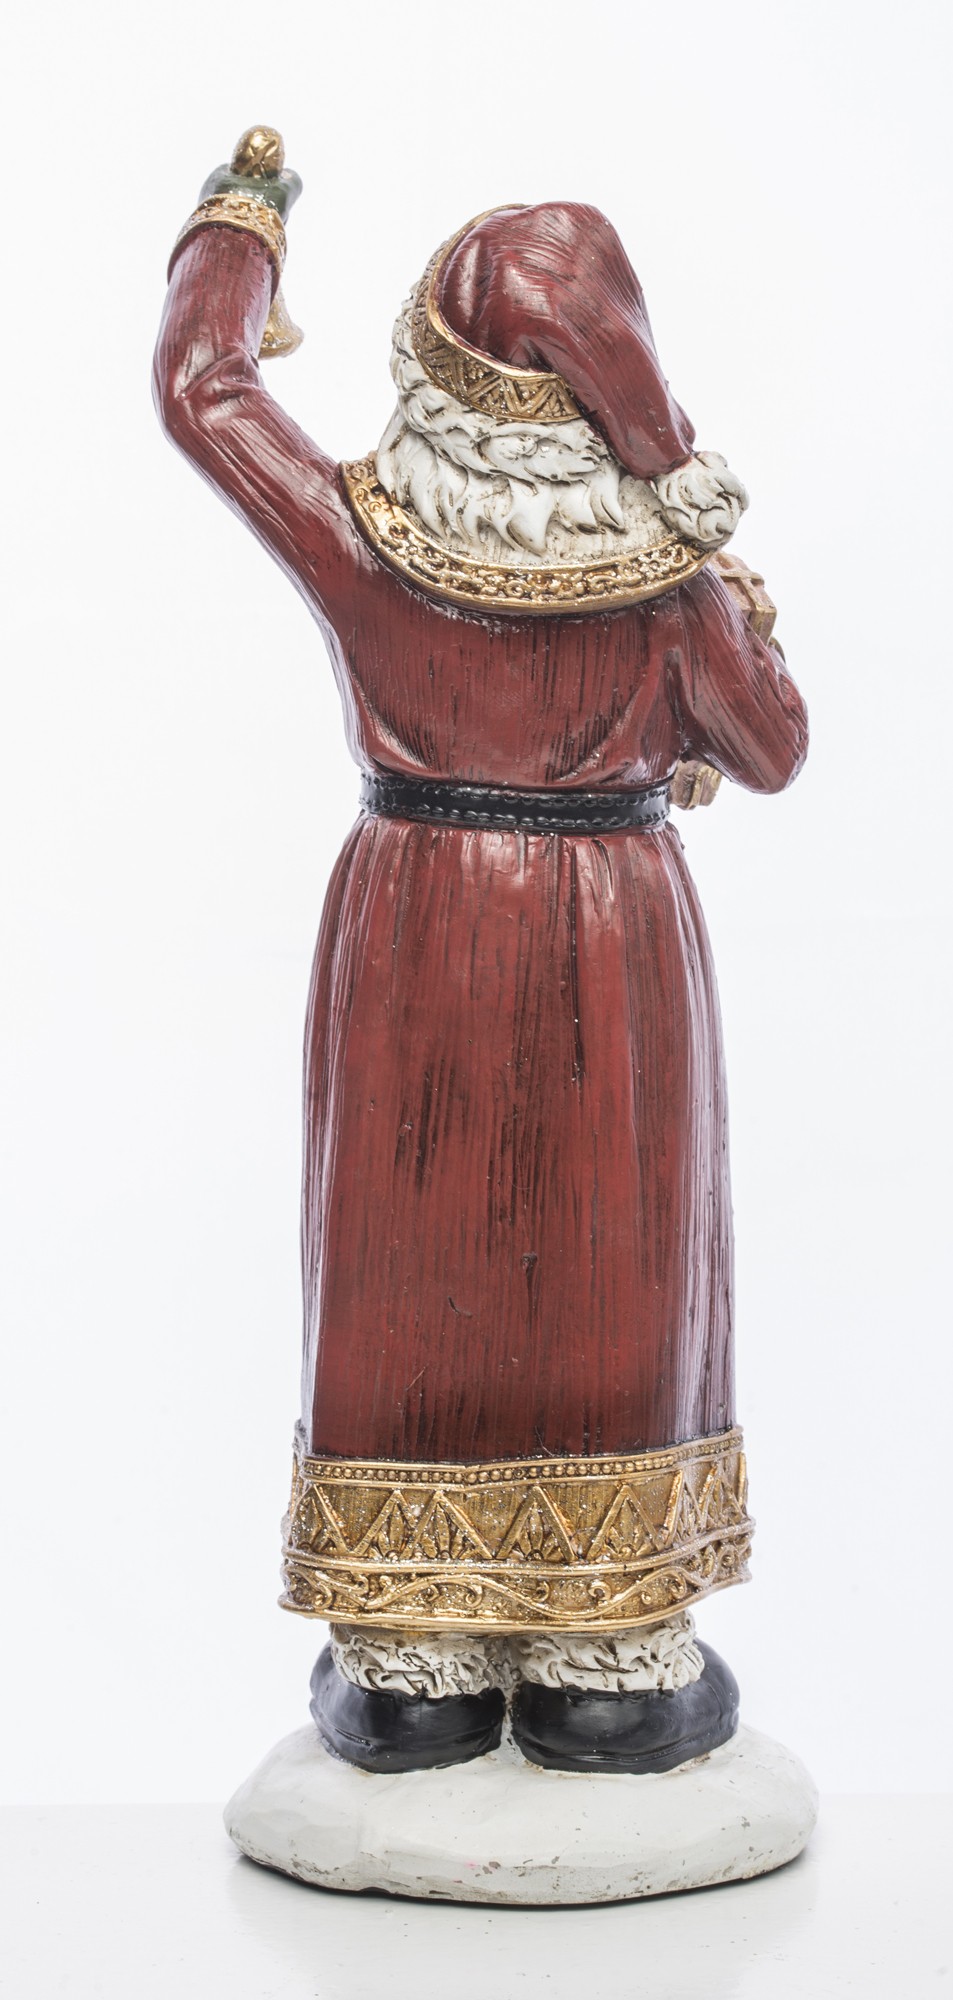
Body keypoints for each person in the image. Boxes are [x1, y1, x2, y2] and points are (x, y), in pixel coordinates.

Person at [154, 129, 808, 1776]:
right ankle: (609, 1649)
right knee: (609, 1246)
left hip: (419, 916)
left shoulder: (358, 531)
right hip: (614, 931)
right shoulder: (664, 585)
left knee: (414, 1249)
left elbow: (202, 391)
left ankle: (413, 1657)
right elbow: (773, 747)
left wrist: (239, 225)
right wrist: (711, 569)